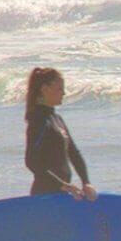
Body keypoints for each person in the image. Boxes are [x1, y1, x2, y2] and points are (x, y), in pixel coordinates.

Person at [23, 66, 93, 198]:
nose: (64, 93)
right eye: (60, 88)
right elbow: (31, 161)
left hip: (60, 194)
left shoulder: (56, 119)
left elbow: (74, 153)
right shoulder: (39, 120)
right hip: (45, 195)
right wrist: (62, 184)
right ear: (45, 89)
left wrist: (86, 182)